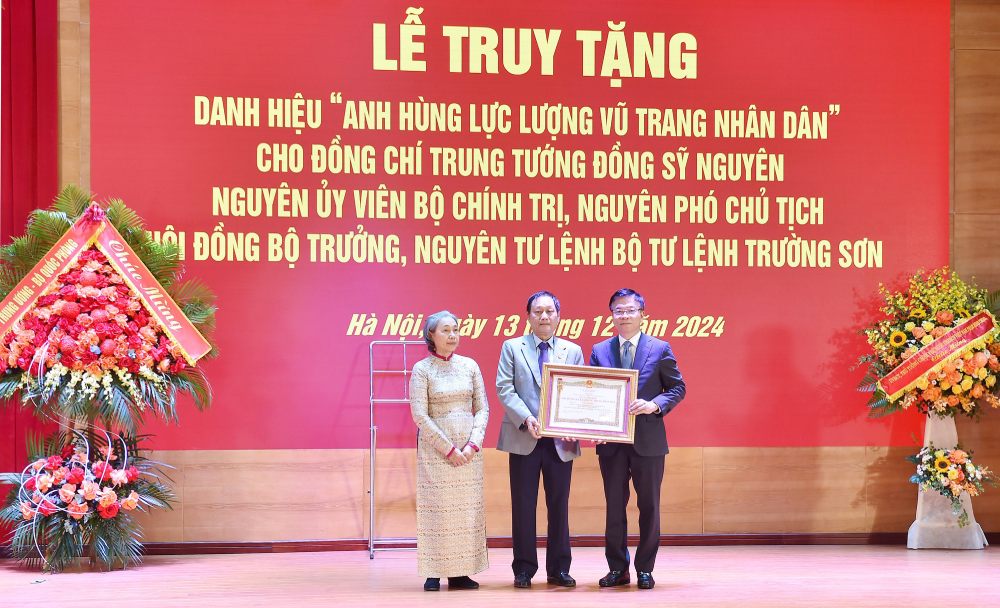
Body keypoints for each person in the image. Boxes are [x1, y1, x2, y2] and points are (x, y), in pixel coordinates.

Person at [589, 288, 686, 590]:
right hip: (612, 444)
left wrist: (654, 404)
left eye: (631, 310)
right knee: (614, 507)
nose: (625, 315)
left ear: (643, 314)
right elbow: (590, 395)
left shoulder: (660, 348)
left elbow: (677, 388)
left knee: (650, 506)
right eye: (619, 310)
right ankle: (617, 569)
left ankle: (645, 568)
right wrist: (592, 428)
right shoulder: (600, 351)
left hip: (649, 441)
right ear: (611, 315)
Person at [496, 291, 584, 589]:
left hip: (562, 439)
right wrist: (527, 418)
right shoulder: (512, 347)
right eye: (537, 312)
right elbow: (505, 388)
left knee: (559, 505)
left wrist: (572, 422)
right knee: (523, 504)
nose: (544, 317)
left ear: (558, 316)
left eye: (549, 311)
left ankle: (559, 568)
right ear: (528, 316)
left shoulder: (572, 350)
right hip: (524, 435)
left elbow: (579, 392)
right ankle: (523, 568)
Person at [409, 310, 490, 591]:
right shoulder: (422, 369)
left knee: (467, 511)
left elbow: (482, 408)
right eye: (445, 330)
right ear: (431, 335)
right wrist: (448, 449)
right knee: (437, 510)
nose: (453, 335)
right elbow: (420, 414)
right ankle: (434, 571)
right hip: (436, 452)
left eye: (455, 329)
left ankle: (461, 573)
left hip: (469, 452)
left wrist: (472, 445)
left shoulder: (470, 366)